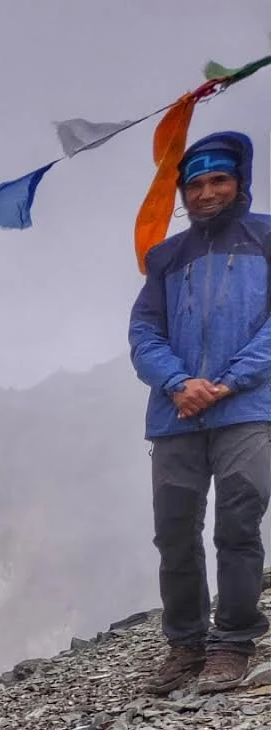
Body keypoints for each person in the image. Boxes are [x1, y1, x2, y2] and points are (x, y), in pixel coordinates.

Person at [130, 130, 271, 695]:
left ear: (240, 183)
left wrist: (228, 381)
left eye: (219, 180)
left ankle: (233, 642)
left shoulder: (266, 237)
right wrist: (178, 383)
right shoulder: (165, 257)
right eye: (196, 184)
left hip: (248, 409)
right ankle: (185, 645)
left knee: (238, 526)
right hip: (177, 414)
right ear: (184, 194)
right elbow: (144, 331)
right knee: (173, 532)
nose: (207, 193)